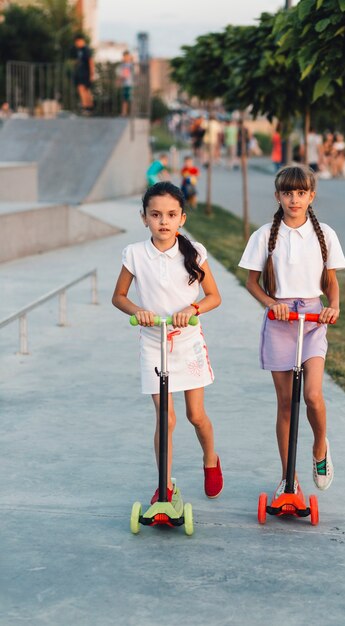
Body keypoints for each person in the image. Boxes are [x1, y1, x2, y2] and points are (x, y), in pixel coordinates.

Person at [238, 165, 345, 499]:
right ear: (278, 196)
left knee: (312, 395)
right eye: (288, 193)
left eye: (301, 193)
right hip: (280, 321)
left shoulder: (324, 234)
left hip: (313, 321)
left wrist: (334, 306)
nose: (294, 199)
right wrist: (272, 303)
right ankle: (289, 478)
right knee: (286, 403)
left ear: (311, 196)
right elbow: (251, 282)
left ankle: (319, 449)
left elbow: (330, 280)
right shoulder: (264, 235)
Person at [112, 182, 223, 503]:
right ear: (144, 217)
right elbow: (118, 297)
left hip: (187, 341)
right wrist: (138, 311)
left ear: (182, 219)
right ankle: (165, 484)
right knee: (166, 418)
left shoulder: (194, 252)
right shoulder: (134, 254)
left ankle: (210, 459)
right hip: (153, 342)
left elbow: (214, 296)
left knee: (195, 415)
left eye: (171, 215)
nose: (163, 221)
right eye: (156, 214)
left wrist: (194, 308)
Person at [72, 34, 94, 115]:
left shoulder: (86, 49)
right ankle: (89, 108)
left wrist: (91, 74)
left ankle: (86, 107)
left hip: (85, 73)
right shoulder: (80, 50)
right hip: (80, 73)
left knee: (82, 89)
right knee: (85, 90)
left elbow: (91, 61)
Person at [118, 50, 134, 117]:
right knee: (125, 99)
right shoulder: (123, 64)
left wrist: (120, 80)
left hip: (129, 83)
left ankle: (129, 113)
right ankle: (124, 112)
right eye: (124, 56)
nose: (125, 58)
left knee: (128, 99)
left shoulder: (129, 64)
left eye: (126, 56)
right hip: (125, 84)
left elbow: (126, 74)